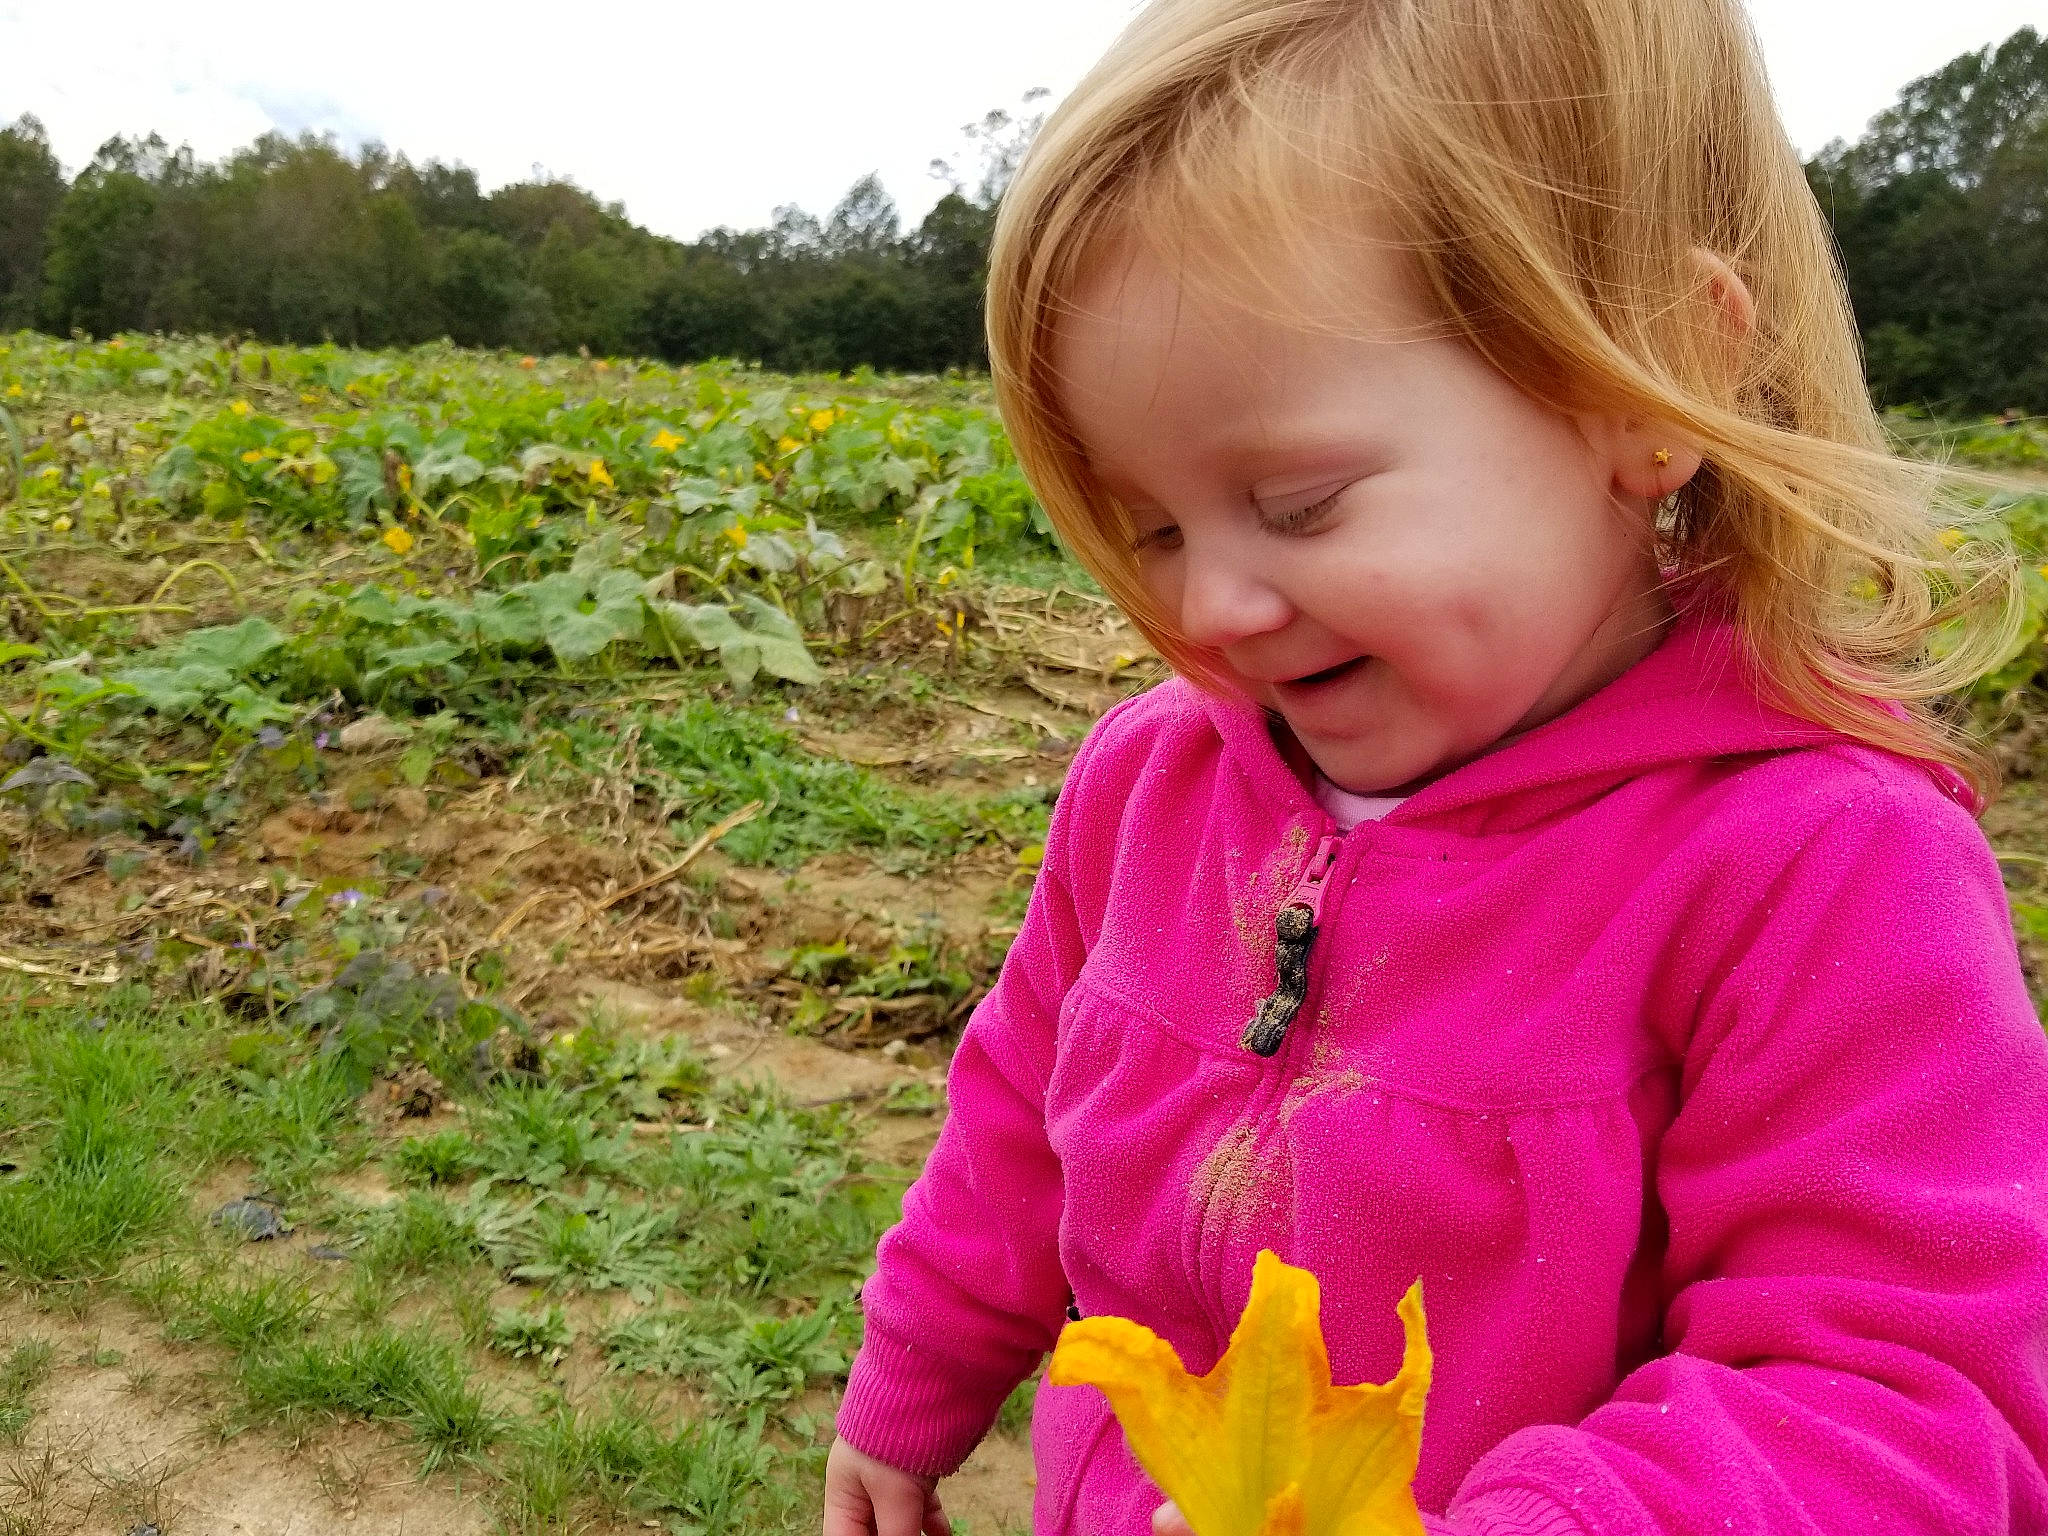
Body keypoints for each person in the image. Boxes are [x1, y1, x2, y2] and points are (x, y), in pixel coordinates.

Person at [824, 0, 2048, 1530]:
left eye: (1303, 501)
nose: (1209, 606)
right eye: (1153, 527)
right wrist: (921, 1365)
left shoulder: (1819, 870)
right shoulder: (1153, 792)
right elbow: (1022, 1107)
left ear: (1645, 385)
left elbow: (1899, 1396)